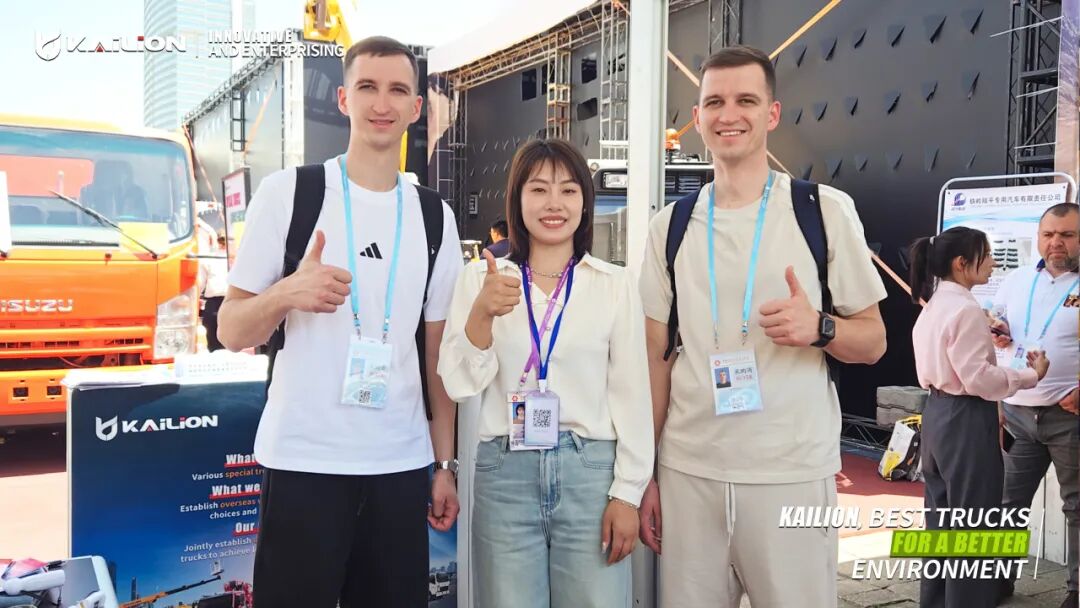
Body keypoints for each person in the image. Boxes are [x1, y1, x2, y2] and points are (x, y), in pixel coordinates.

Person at [216, 37, 462, 608]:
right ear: (345, 99)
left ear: (416, 108)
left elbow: (436, 358)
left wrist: (444, 464)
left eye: (398, 90)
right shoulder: (290, 194)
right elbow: (231, 329)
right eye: (368, 87)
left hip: (398, 464)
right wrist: (285, 293)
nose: (383, 103)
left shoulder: (434, 216)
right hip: (303, 460)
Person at [637, 45, 888, 607]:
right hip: (689, 470)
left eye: (746, 101)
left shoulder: (823, 210)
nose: (729, 115)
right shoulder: (670, 226)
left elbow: (874, 341)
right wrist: (645, 473)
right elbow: (655, 357)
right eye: (715, 103)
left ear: (772, 113)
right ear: (697, 117)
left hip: (790, 470)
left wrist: (820, 327)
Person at [438, 139, 653, 608]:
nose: (554, 203)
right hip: (504, 475)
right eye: (538, 189)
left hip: (590, 474)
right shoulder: (482, 280)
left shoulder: (613, 285)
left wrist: (628, 493)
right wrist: (481, 315)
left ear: (585, 202)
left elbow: (632, 395)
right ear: (517, 200)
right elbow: (458, 383)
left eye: (568, 190)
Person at [909, 226, 1050, 608]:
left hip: (937, 413)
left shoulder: (936, 304)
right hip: (966, 416)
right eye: (986, 255)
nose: (992, 262)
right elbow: (979, 379)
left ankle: (936, 600)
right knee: (974, 517)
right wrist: (1030, 375)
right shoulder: (965, 309)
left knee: (940, 515)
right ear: (961, 263)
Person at [989, 202, 1078, 608]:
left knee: (1077, 508)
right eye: (1048, 234)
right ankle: (996, 582)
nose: (1056, 242)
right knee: (1008, 504)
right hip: (1018, 412)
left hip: (1069, 416)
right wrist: (1000, 329)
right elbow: (998, 317)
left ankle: (1076, 592)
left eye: (1067, 235)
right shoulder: (1017, 278)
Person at [198, 233, 229, 351]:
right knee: (229, 340)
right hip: (232, 300)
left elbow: (200, 283)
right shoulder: (236, 257)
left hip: (214, 303)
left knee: (213, 340)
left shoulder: (208, 259)